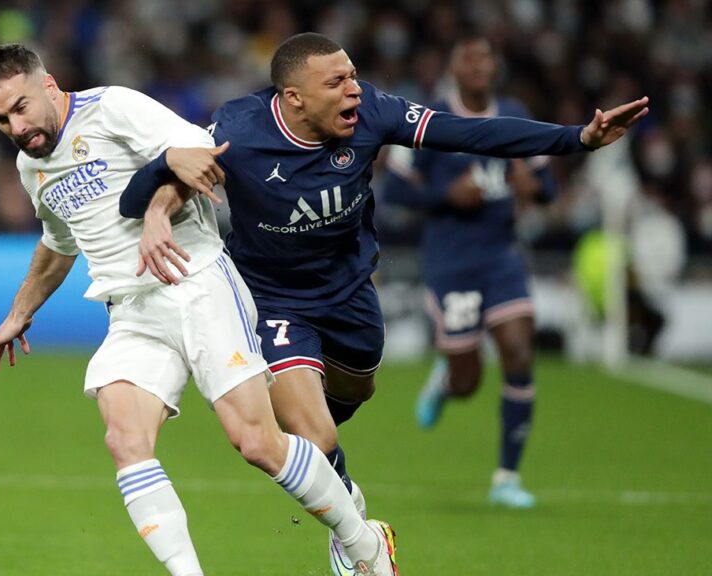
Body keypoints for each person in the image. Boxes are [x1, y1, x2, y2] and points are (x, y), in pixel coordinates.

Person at [120, 32, 647, 573]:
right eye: (337, 82)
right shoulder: (238, 128)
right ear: (294, 98)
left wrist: (577, 138)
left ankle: (325, 471)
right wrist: (159, 206)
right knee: (316, 434)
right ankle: (353, 528)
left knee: (357, 389)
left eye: (352, 75)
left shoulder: (373, 111)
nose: (354, 89)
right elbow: (157, 183)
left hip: (350, 293)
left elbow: (470, 132)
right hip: (274, 300)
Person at [0, 44, 398, 576]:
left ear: (49, 86)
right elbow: (59, 243)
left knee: (257, 442)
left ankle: (363, 543)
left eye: (21, 108)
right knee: (125, 439)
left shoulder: (111, 108)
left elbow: (201, 148)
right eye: (1, 120)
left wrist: (156, 213)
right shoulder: (30, 166)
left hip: (197, 284)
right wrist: (20, 312)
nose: (16, 127)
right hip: (131, 312)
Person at [381, 34, 563, 508]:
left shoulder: (515, 115)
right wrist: (445, 196)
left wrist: (532, 185)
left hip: (502, 256)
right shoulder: (430, 119)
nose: (479, 66)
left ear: (495, 67)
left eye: (486, 58)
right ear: (454, 69)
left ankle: (507, 478)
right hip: (452, 263)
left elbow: (547, 186)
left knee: (518, 352)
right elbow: (394, 191)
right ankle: (446, 381)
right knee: (468, 382)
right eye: (469, 58)